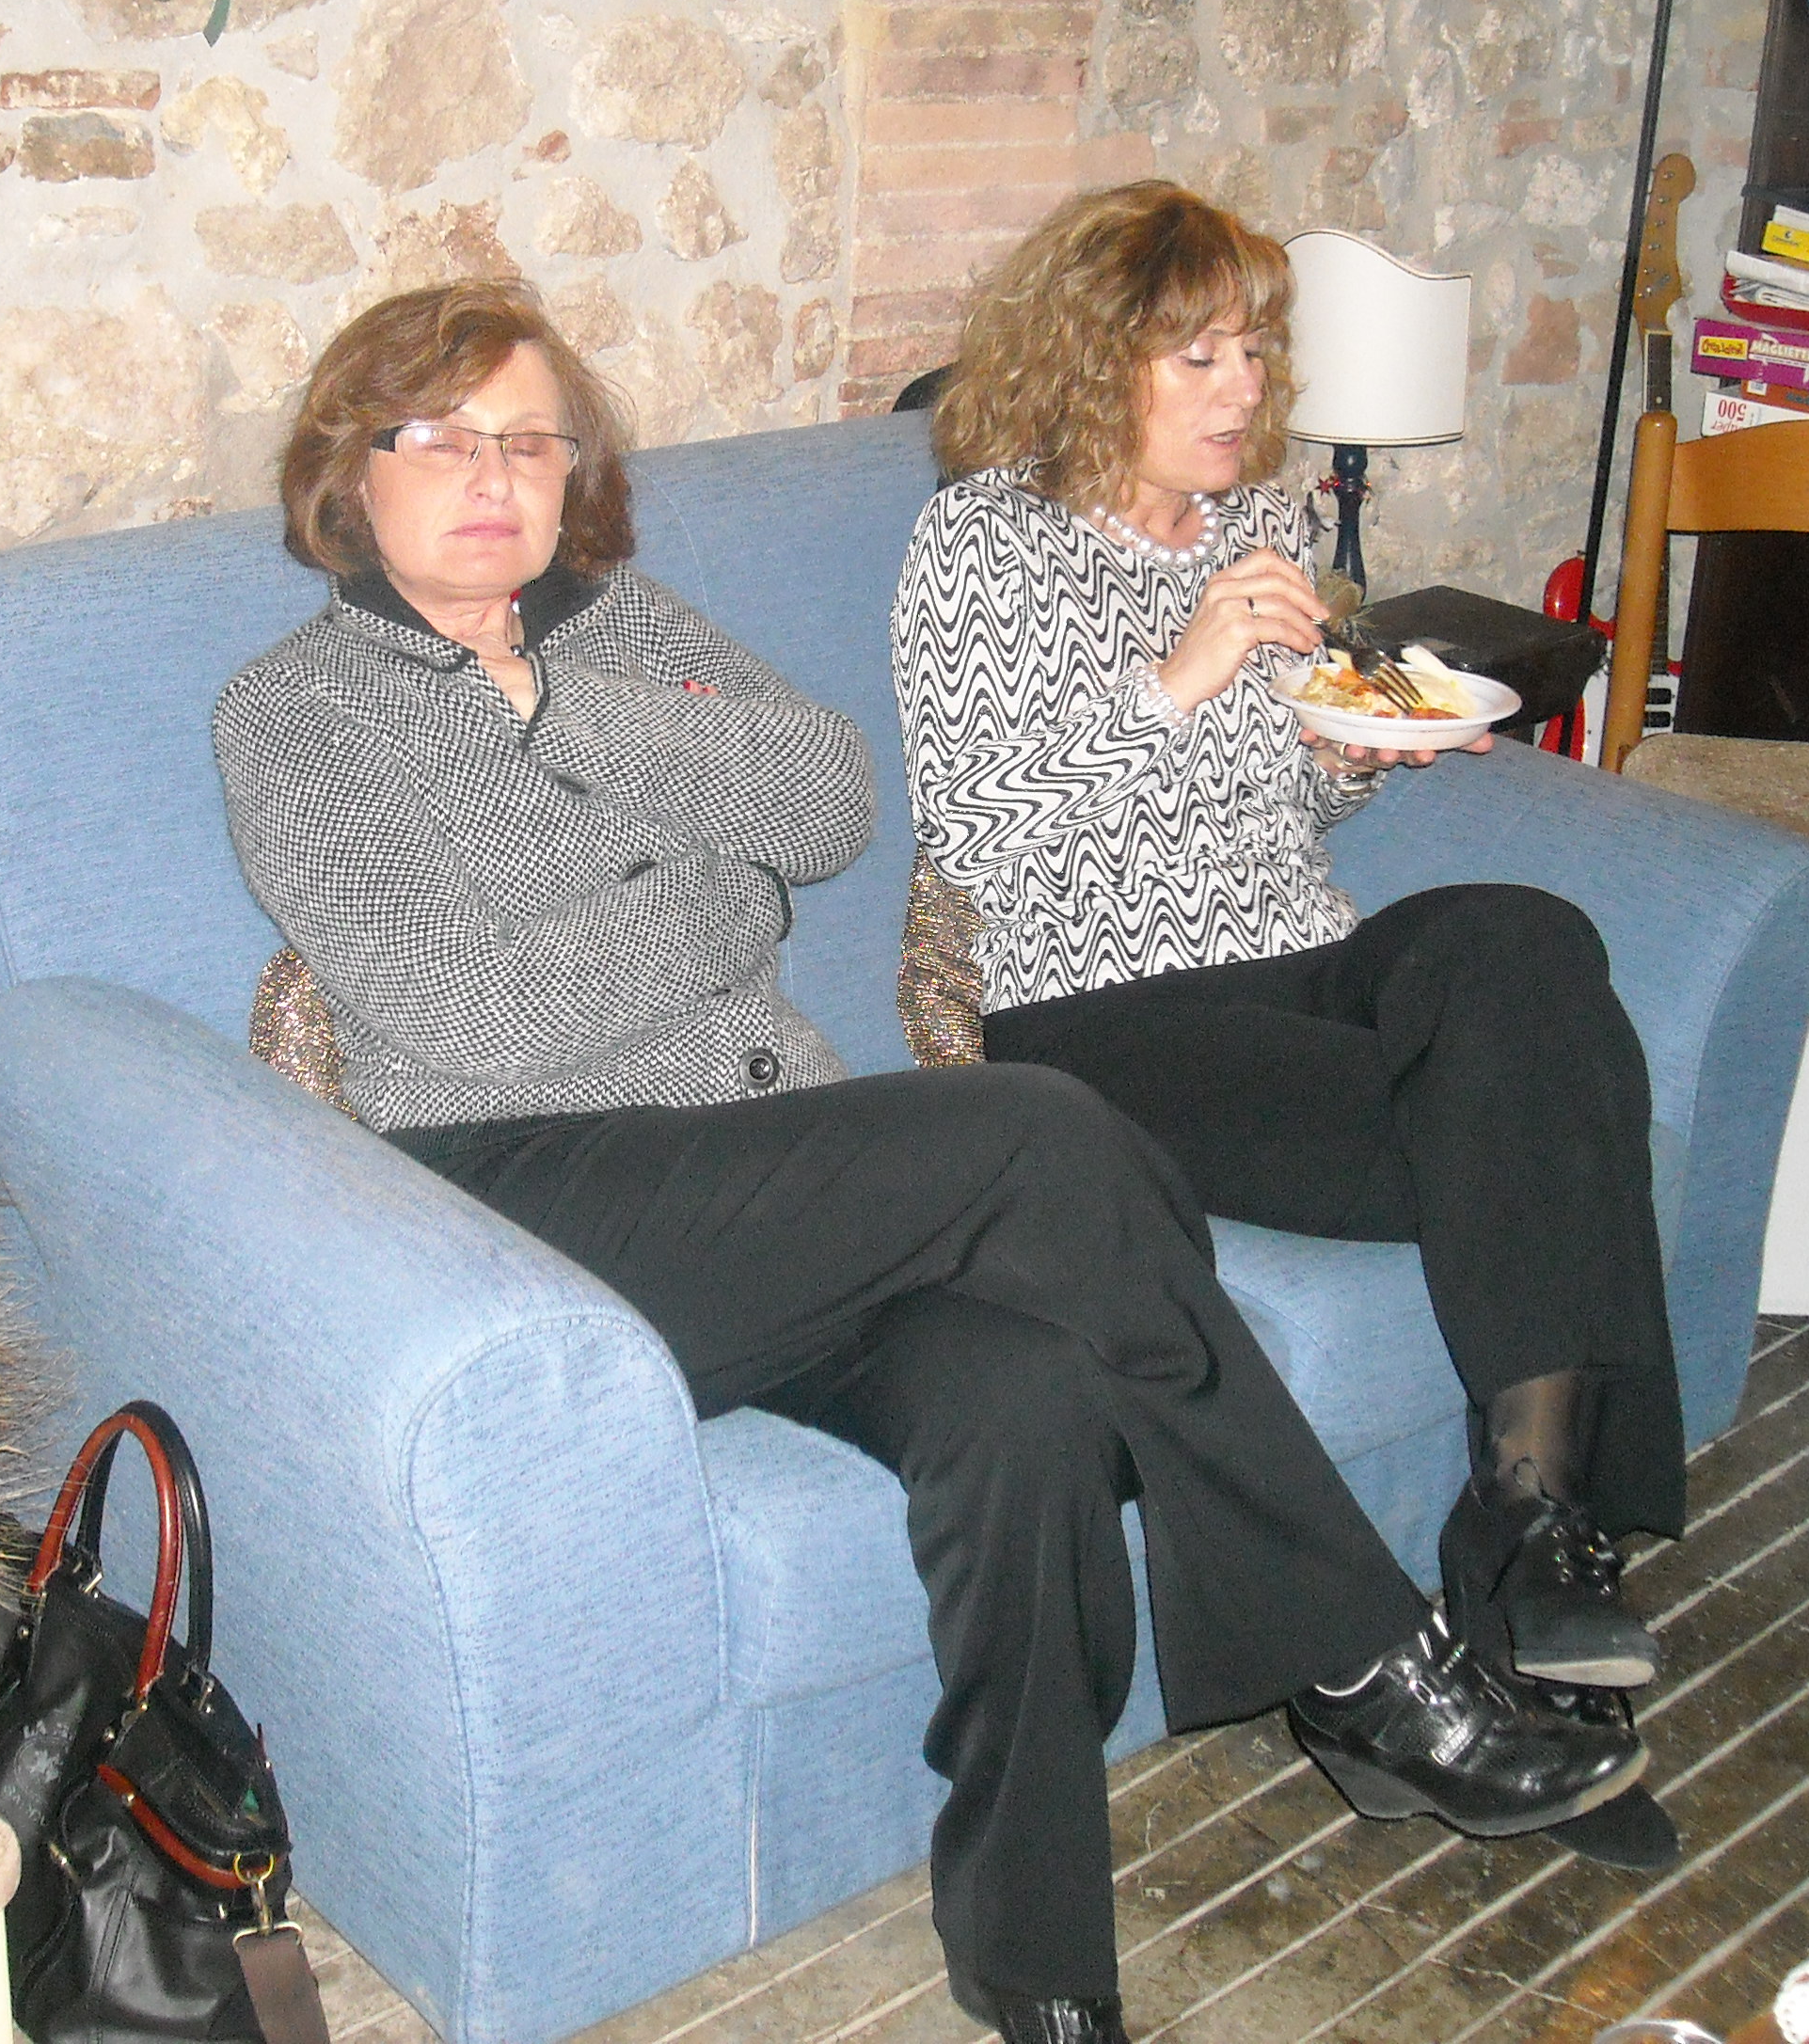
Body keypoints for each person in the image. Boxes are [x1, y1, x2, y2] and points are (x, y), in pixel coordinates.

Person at [214, 280, 1646, 2044]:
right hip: (535, 1202)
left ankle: (1040, 1968)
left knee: (1022, 1396)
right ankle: (1357, 1656)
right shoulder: (293, 712)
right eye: (437, 440)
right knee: (1040, 1131)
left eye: (531, 439)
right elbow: (465, 1007)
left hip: (770, 1185)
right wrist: (707, 890)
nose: (493, 477)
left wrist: (581, 709)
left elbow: (824, 804)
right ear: (348, 473)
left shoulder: (625, 624)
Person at [890, 182, 1690, 1850]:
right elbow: (978, 833)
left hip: (1297, 958)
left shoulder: (1261, 535)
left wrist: (1348, 754)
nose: (1244, 387)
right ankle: (1530, 1626)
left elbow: (1278, 811)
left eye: (1253, 349)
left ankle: (1533, 1523)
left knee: (1525, 943)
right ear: (1088, 361)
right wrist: (1175, 679)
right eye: (1197, 355)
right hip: (1099, 1010)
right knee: (1544, 1119)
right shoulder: (982, 543)